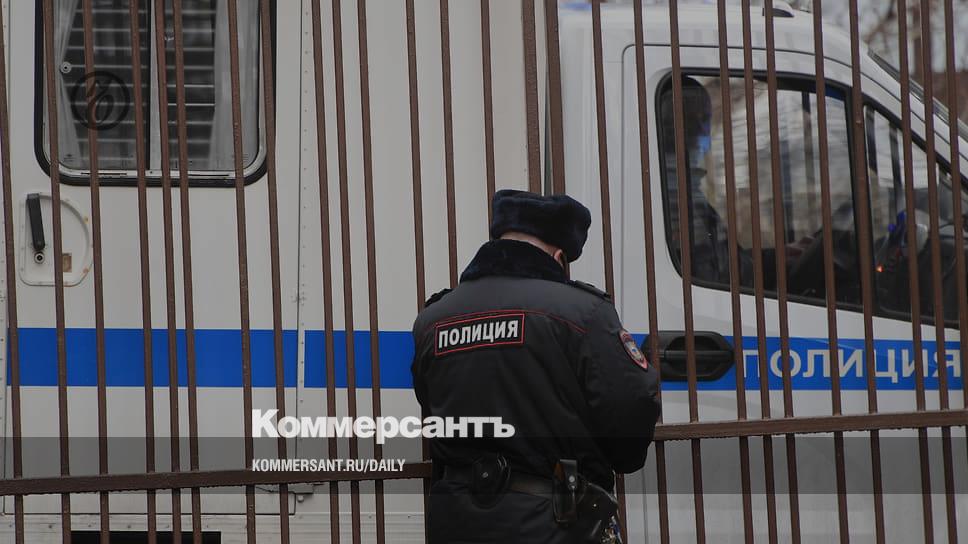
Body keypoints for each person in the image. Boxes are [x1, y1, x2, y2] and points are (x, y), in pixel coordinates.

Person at [411, 189, 661, 543]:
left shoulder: (433, 319)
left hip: (457, 522)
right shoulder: (583, 312)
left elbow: (431, 409)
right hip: (555, 521)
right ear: (559, 256)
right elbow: (631, 405)